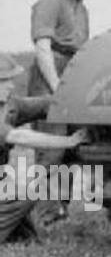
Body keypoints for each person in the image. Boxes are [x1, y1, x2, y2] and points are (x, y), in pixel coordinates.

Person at [0, 53, 88, 242]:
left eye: (10, 80)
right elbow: (19, 136)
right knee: (23, 196)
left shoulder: (9, 106)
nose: (11, 85)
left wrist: (81, 100)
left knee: (26, 236)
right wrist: (68, 142)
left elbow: (45, 104)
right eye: (4, 81)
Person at [29, 0, 107, 97]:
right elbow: (43, 48)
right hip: (49, 76)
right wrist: (55, 85)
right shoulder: (50, 3)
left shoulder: (81, 9)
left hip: (71, 72)